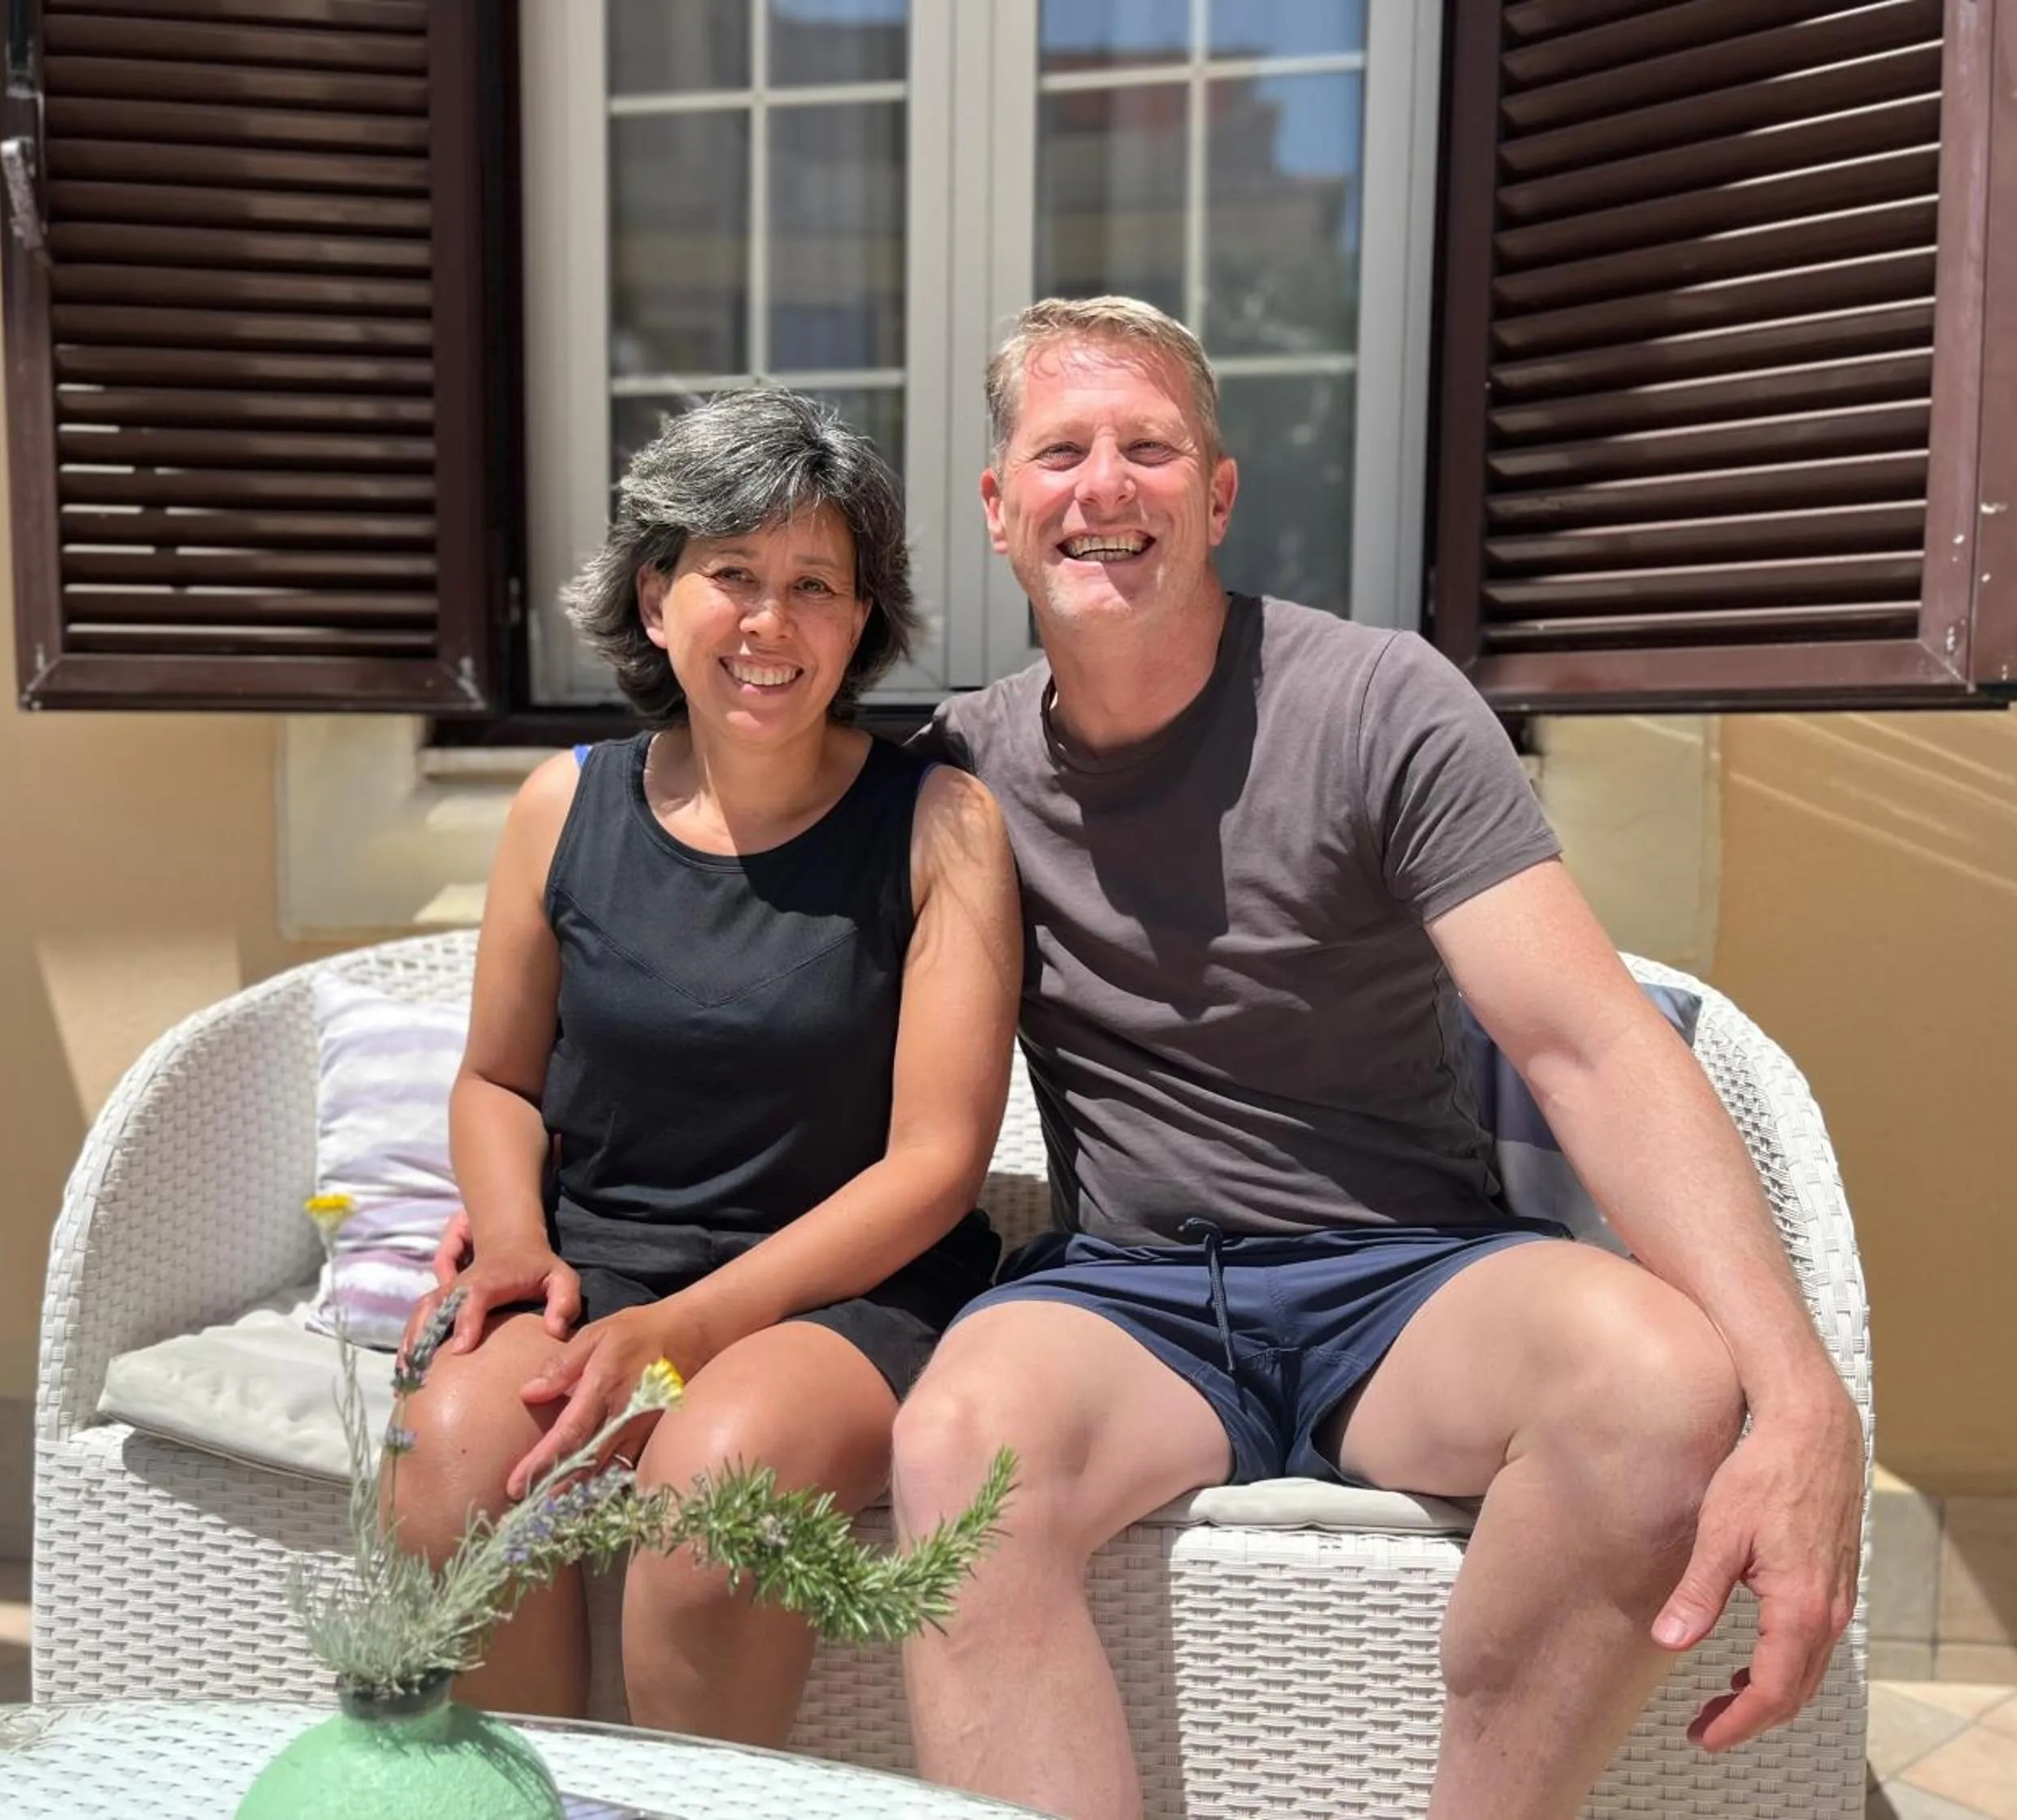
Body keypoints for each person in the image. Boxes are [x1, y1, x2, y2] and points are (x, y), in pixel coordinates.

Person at [891, 298, 1865, 1820]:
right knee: (958, 1444)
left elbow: (1589, 1042)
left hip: (1409, 1276)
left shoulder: (1378, 700)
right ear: (1000, 509)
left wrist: (1802, 1399)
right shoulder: (958, 775)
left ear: (1216, 495)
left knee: (1663, 1382)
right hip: (1130, 1297)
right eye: (1061, 450)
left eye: (1150, 447)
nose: (1105, 486)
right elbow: (752, 986)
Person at [387, 390, 1020, 1746]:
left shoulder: (943, 823)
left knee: (708, 1500)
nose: (770, 624)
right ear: (657, 592)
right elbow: (498, 1080)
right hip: (596, 1265)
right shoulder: (563, 803)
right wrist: (508, 1241)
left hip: (842, 1294)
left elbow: (936, 1165)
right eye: (732, 575)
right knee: (444, 1463)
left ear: (863, 621)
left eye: (815, 586)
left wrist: (685, 1332)